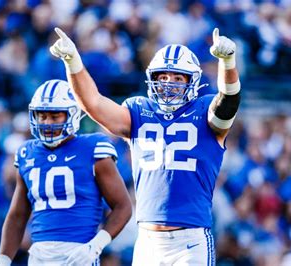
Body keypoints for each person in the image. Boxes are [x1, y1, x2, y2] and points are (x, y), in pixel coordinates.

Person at [50, 26, 241, 265]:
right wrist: (73, 63)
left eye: (177, 77)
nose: (169, 83)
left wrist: (228, 63)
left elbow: (228, 101)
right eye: (163, 77)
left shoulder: (204, 111)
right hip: (148, 240)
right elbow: (93, 103)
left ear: (192, 81)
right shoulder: (139, 110)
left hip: (190, 241)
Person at [0, 79, 132, 265]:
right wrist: (3, 261)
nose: (47, 123)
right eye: (42, 116)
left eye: (54, 116)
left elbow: (123, 207)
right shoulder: (27, 153)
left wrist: (95, 246)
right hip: (39, 254)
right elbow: (17, 215)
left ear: (73, 115)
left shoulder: (92, 148)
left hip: (78, 252)